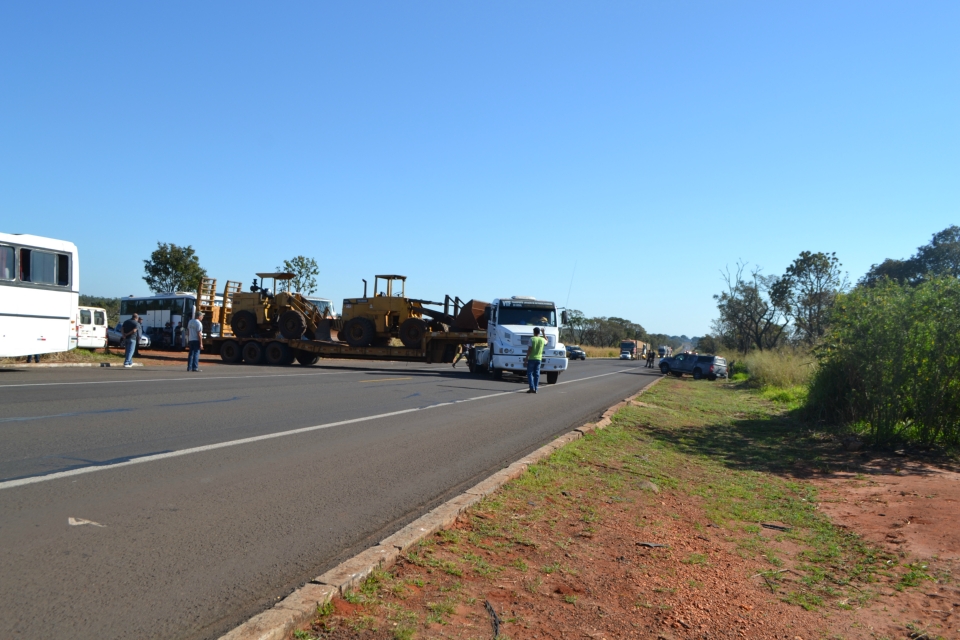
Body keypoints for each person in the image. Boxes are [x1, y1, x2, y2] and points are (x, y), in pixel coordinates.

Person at [523, 327, 546, 394]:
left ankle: (531, 387)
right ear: (539, 332)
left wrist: (526, 359)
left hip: (532, 358)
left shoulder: (532, 339)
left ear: (534, 332)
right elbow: (547, 340)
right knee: (537, 374)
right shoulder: (542, 339)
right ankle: (536, 388)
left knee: (529, 373)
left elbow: (529, 349)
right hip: (539, 359)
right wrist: (543, 333)